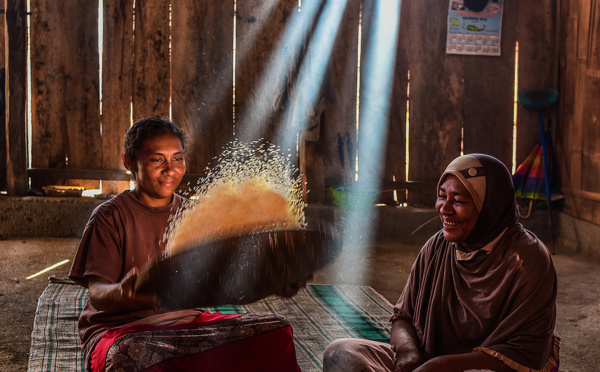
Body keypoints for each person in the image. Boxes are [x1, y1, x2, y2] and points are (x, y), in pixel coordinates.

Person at [69, 117, 303, 372]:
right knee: (132, 358)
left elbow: (223, 282)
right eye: (157, 159)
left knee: (276, 331)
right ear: (129, 162)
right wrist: (124, 292)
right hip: (123, 331)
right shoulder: (110, 216)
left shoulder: (194, 214)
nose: (170, 169)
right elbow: (98, 293)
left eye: (177, 159)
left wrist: (272, 283)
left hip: (188, 326)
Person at [323, 153, 560, 372]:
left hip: (488, 367)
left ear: (490, 206)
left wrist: (443, 365)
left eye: (458, 200)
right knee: (341, 353)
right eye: (441, 196)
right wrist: (408, 354)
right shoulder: (437, 247)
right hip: (429, 362)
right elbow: (403, 317)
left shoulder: (528, 260)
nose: (444, 209)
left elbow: (526, 354)